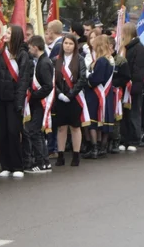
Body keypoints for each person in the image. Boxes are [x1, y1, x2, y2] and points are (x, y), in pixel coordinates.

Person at [0, 25, 31, 178]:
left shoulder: (23, 55)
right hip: (1, 98)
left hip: (15, 99)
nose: (5, 34)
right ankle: (5, 164)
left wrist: (20, 101)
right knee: (1, 132)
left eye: (8, 32)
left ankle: (17, 166)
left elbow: (23, 80)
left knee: (13, 132)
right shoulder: (1, 53)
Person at [53, 32, 88, 166]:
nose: (68, 46)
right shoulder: (56, 60)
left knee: (75, 127)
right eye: (65, 43)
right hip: (60, 98)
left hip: (75, 98)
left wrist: (71, 94)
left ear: (75, 45)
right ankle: (60, 155)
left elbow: (82, 78)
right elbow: (52, 81)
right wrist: (59, 94)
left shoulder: (79, 59)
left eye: (70, 43)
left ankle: (76, 155)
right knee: (61, 127)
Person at [23, 35, 53, 174]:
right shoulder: (41, 61)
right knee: (37, 132)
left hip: (41, 102)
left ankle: (41, 163)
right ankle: (44, 161)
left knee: (34, 131)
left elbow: (48, 86)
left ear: (35, 47)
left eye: (30, 47)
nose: (29, 50)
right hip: (38, 102)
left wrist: (33, 95)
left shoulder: (44, 63)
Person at [85, 34, 116, 159]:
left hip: (97, 94)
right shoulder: (110, 59)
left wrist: (88, 78)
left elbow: (97, 78)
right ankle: (102, 147)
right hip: (106, 93)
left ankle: (95, 148)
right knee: (104, 119)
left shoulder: (102, 60)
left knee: (93, 120)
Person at [120, 22, 144, 149]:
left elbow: (138, 70)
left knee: (134, 113)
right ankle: (125, 138)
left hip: (133, 87)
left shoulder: (139, 49)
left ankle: (134, 138)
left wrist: (129, 80)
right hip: (125, 86)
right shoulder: (127, 48)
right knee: (125, 113)